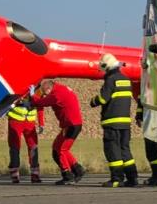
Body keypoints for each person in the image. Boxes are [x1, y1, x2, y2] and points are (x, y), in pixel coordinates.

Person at [91, 53, 138, 188]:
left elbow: (103, 99)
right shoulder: (126, 79)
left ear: (106, 66)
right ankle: (132, 178)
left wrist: (93, 101)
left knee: (113, 150)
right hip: (125, 123)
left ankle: (117, 179)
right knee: (125, 150)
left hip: (111, 122)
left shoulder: (111, 80)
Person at [31, 78, 85, 184]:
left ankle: (67, 175)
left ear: (48, 89)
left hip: (71, 125)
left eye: (44, 92)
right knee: (59, 147)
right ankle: (78, 170)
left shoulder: (56, 95)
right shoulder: (61, 88)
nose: (44, 95)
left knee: (60, 150)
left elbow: (41, 102)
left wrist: (33, 95)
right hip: (72, 124)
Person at [4, 91, 43, 184]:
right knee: (15, 147)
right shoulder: (16, 88)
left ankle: (35, 175)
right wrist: (18, 101)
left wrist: (41, 123)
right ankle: (14, 174)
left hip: (30, 122)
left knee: (33, 147)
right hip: (15, 121)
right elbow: (6, 102)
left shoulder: (38, 90)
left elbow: (40, 106)